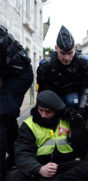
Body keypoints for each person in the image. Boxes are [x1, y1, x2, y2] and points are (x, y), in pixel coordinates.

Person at [6, 90, 88, 181]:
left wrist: (76, 126)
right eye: (41, 110)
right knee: (14, 177)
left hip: (64, 167)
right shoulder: (29, 125)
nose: (43, 115)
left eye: (48, 112)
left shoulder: (67, 120)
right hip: (40, 167)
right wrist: (39, 169)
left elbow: (82, 149)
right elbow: (22, 153)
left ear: (56, 111)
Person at [0, 25, 34, 179]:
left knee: (2, 115)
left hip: (21, 76)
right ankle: (18, 156)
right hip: (9, 75)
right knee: (5, 116)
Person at [37, 25, 88, 108]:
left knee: (72, 100)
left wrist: (82, 109)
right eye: (62, 53)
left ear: (75, 48)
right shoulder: (48, 64)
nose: (66, 58)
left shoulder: (83, 62)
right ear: (56, 48)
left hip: (77, 100)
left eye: (70, 53)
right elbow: (43, 90)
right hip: (56, 100)